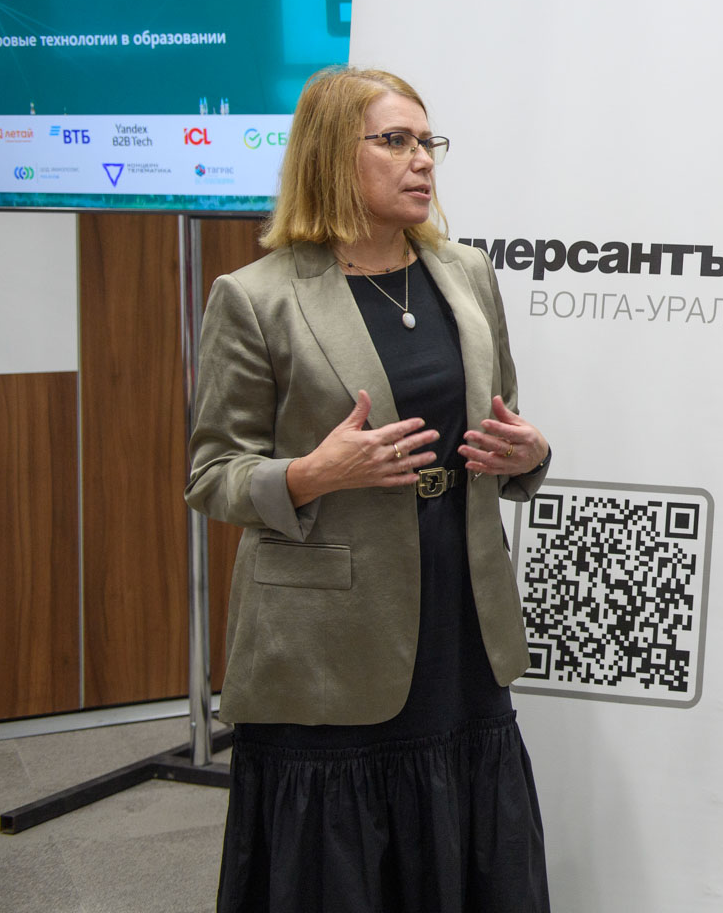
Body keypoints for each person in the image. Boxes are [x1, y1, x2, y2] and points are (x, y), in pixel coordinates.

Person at [187, 67, 553, 912]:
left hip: (459, 613)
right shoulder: (255, 298)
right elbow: (213, 473)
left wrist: (529, 452)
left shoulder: (467, 273)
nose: (422, 160)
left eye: (427, 142)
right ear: (329, 155)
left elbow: (504, 421)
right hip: (331, 639)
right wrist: (313, 473)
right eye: (395, 141)